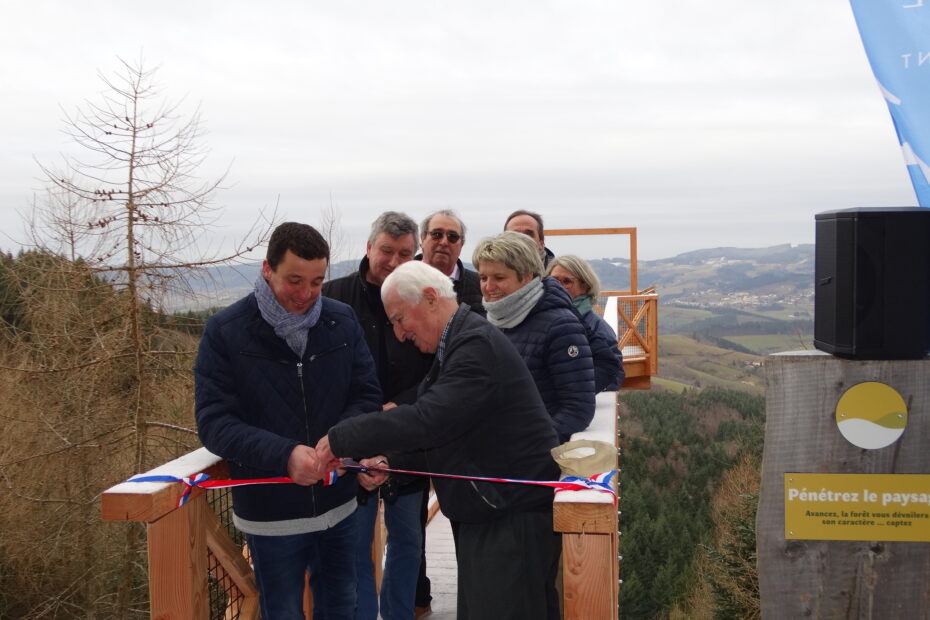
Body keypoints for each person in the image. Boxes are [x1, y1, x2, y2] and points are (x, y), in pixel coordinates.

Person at [317, 260, 562, 620]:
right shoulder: (459, 343)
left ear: (431, 298)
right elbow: (450, 433)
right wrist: (391, 462)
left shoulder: (475, 346)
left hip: (509, 518)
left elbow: (427, 420)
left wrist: (341, 438)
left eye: (399, 319)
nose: (399, 334)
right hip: (495, 511)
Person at [195, 222, 382, 620]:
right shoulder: (225, 331)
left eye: (317, 282)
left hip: (340, 506)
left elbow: (366, 395)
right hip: (270, 516)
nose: (306, 294)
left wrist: (341, 440)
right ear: (267, 269)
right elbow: (214, 423)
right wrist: (285, 455)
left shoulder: (342, 320)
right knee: (281, 612)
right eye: (294, 280)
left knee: (343, 608)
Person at [323, 212, 434, 620]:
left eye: (404, 253)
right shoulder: (333, 298)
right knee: (355, 548)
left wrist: (399, 406)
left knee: (408, 543)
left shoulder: (422, 299)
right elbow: (324, 376)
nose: (393, 261)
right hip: (352, 442)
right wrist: (364, 427)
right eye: (386, 250)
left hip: (407, 441)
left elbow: (437, 371)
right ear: (369, 248)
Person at [473, 231, 595, 443]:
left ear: (527, 276)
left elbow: (578, 409)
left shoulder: (562, 326)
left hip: (528, 453)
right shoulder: (493, 320)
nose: (489, 287)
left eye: (499, 278)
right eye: (483, 278)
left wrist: (530, 444)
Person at [547, 255, 626, 392]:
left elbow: (614, 375)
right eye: (554, 280)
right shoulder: (542, 319)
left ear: (585, 287)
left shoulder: (597, 327)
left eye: (567, 281)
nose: (558, 286)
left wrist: (576, 392)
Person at [418, 209, 484, 315]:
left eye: (452, 237)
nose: (444, 242)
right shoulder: (399, 280)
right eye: (437, 234)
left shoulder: (481, 286)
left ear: (461, 245)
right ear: (423, 238)